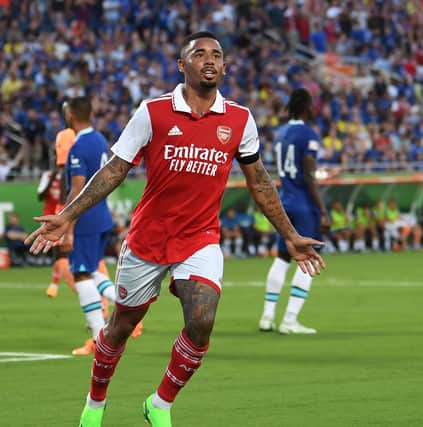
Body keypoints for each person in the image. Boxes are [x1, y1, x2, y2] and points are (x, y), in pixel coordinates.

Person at [25, 31, 325, 427]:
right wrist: (68, 213)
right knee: (119, 329)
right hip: (148, 239)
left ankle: (160, 404)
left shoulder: (239, 118)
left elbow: (260, 181)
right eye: (199, 53)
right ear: (182, 65)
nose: (210, 59)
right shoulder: (152, 112)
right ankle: (95, 404)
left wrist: (289, 234)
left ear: (224, 67)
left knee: (201, 321)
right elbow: (116, 168)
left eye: (217, 54)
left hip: (200, 238)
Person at [259, 88, 329, 335]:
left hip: (285, 202)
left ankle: (267, 317)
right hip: (304, 204)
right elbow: (310, 176)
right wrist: (323, 210)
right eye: (312, 105)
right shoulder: (308, 134)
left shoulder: (281, 134)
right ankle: (289, 320)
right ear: (306, 108)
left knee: (282, 257)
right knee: (308, 259)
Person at [61, 96, 122, 356]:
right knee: (93, 270)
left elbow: (76, 190)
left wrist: (68, 227)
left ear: (72, 115)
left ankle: (99, 339)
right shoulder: (99, 140)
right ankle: (125, 302)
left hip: (85, 219)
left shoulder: (78, 147)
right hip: (102, 216)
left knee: (81, 274)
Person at [39, 127, 77, 298]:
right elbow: (41, 195)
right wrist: (53, 177)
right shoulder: (48, 175)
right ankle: (55, 284)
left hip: (63, 214)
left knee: (60, 254)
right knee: (58, 253)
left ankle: (75, 288)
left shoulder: (70, 173)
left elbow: (66, 196)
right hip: (50, 216)